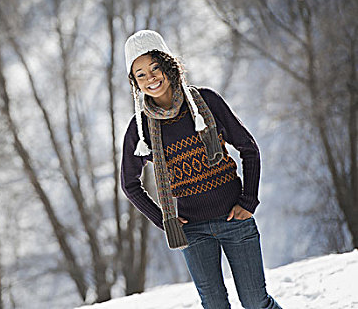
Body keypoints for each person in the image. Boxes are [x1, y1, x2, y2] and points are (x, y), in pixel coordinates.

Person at [120, 30, 282, 309]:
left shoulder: (206, 102)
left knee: (256, 302)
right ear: (134, 82)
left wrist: (249, 201)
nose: (151, 78)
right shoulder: (141, 128)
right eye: (141, 74)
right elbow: (130, 184)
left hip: (236, 221)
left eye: (155, 67)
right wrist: (163, 219)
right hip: (193, 232)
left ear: (168, 65)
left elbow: (248, 148)